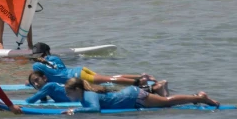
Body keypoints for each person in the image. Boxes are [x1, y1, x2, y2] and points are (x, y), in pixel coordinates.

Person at [61, 77, 218, 114]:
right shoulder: (84, 96)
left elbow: (95, 109)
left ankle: (200, 97)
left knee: (167, 102)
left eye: (68, 92)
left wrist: (75, 111)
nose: (67, 96)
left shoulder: (88, 96)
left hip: (133, 97)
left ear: (77, 89)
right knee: (166, 103)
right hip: (131, 97)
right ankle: (162, 88)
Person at [30, 43, 158, 88]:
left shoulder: (36, 66)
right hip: (80, 70)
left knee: (109, 80)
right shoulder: (54, 58)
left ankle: (140, 83)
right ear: (47, 52)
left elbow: (43, 79)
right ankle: (140, 76)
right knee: (108, 78)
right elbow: (58, 70)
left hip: (78, 77)